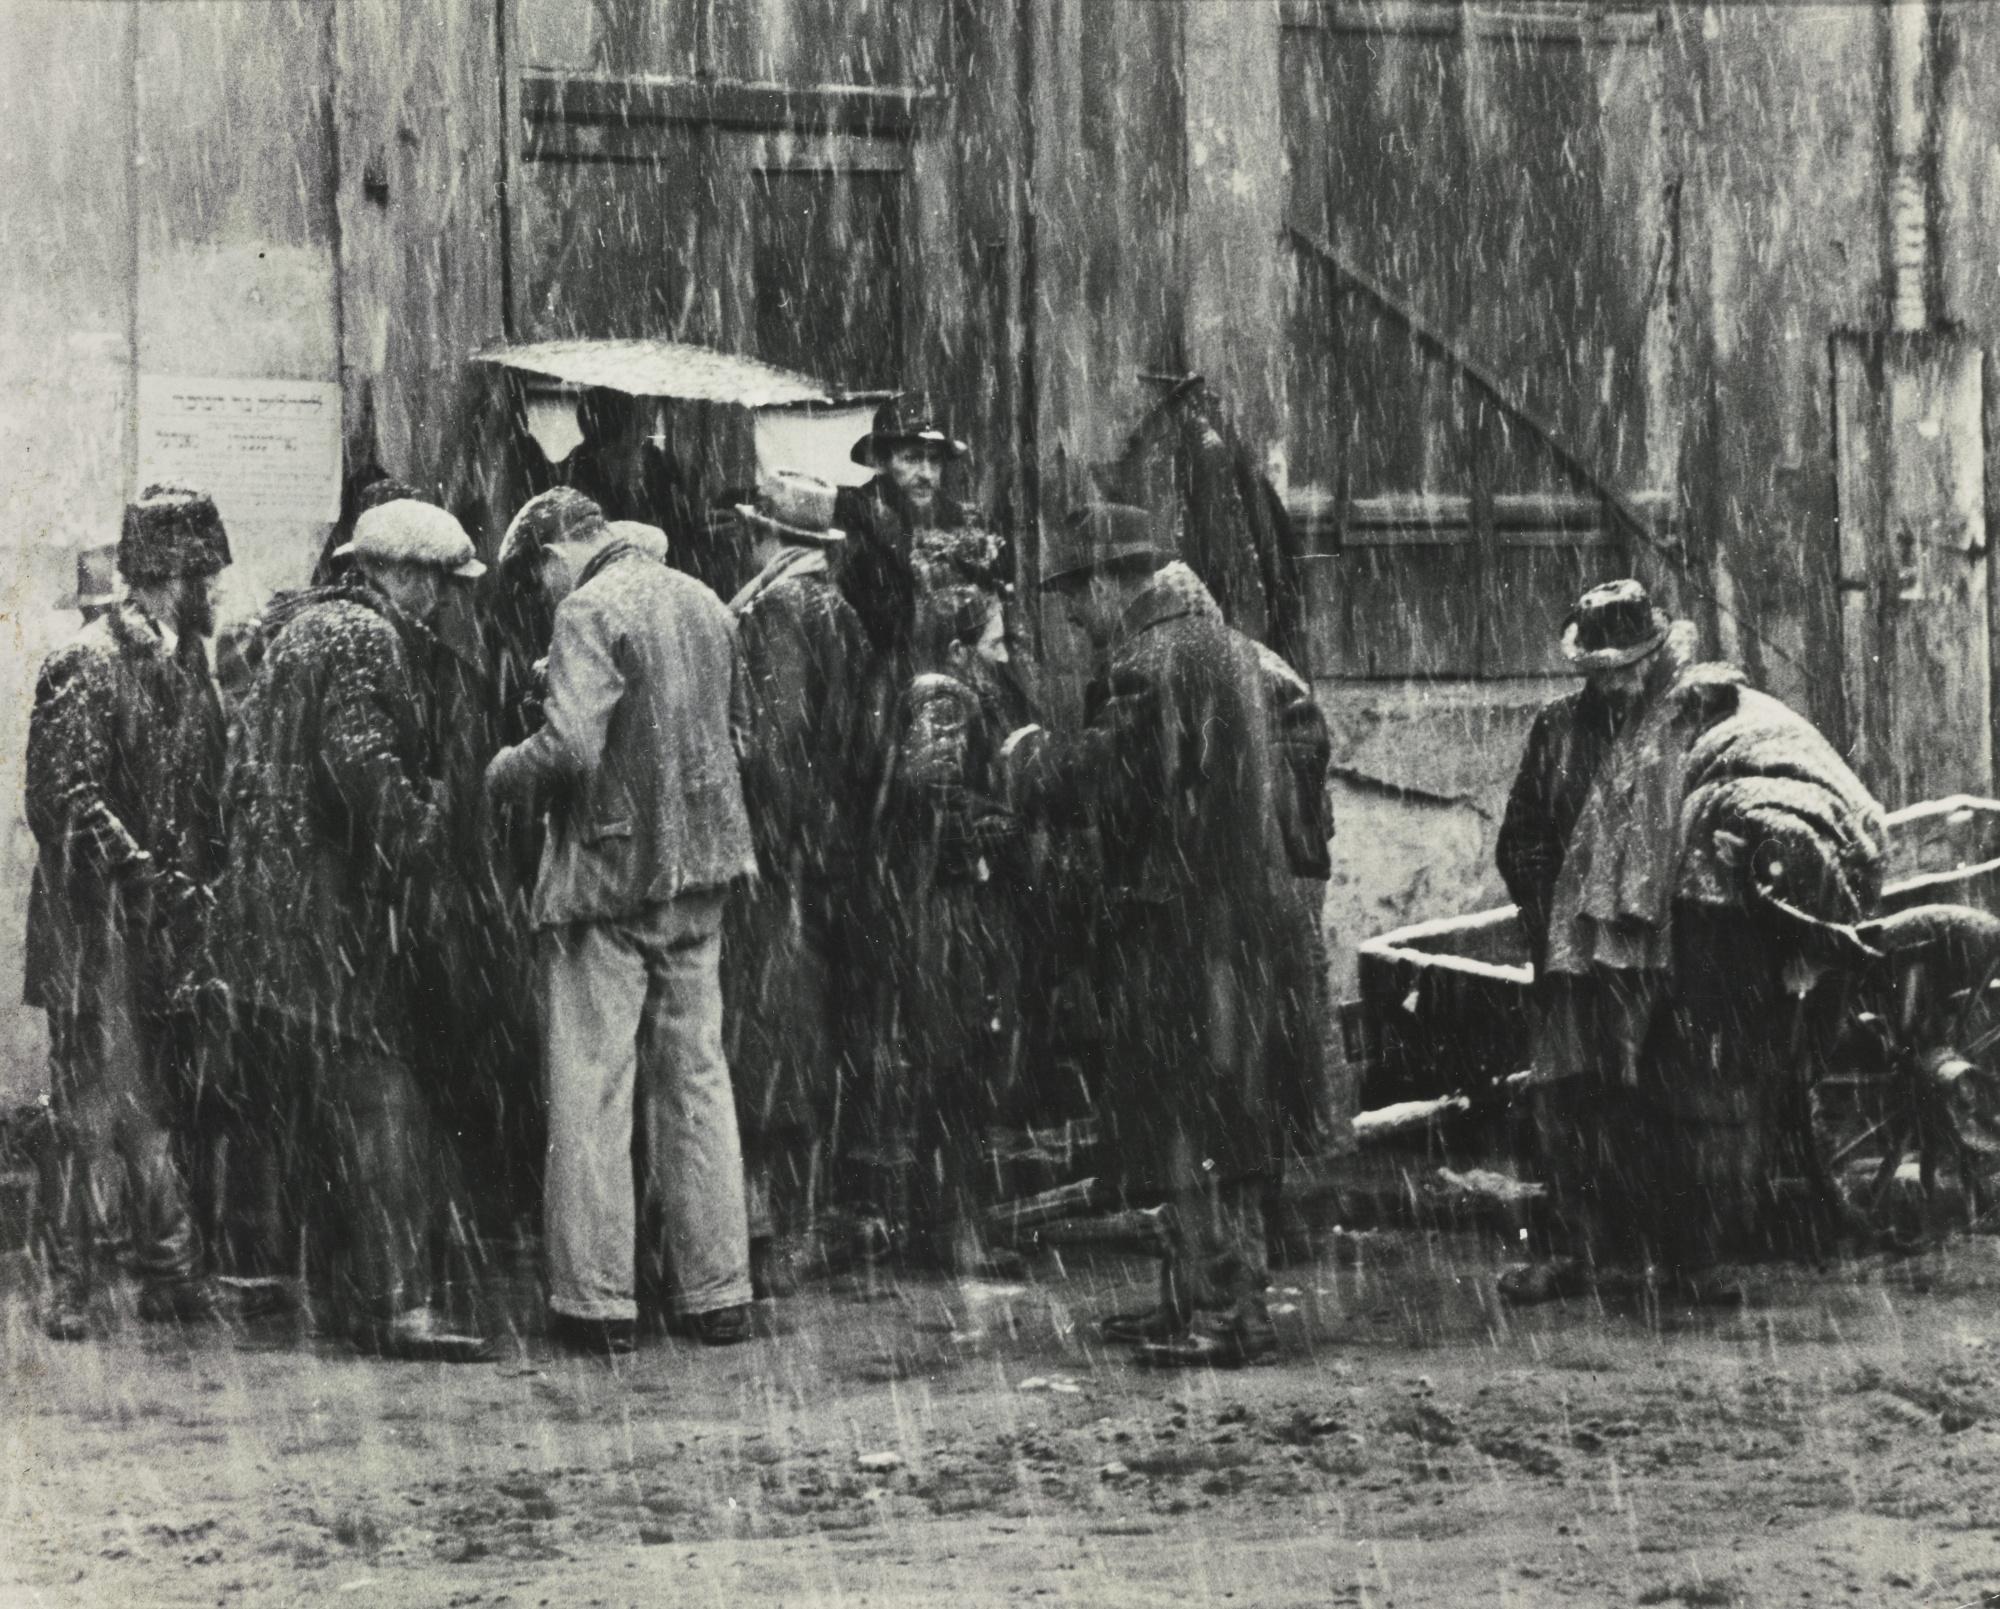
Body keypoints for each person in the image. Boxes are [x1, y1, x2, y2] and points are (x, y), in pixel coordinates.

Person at [1495, 579, 1886, 1303]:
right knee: (1569, 1097)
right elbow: (1520, 839)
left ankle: (1692, 1262)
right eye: (1600, 669)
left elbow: (1726, 813)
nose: (1614, 681)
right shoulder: (1556, 731)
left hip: (1671, 949)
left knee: (1685, 1099)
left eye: (1627, 665)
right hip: (1576, 950)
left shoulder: (1694, 724)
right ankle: (1580, 1253)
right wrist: (1560, 913)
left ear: (1653, 656)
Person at [207, 499, 492, 1361]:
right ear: (403, 576)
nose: (443, 603)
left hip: (279, 915)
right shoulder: (367, 640)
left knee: (324, 1108)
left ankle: (337, 1295)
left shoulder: (300, 629)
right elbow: (362, 763)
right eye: (440, 585)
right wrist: (429, 817)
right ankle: (397, 1302)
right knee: (385, 1105)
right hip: (333, 917)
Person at [1005, 504, 1281, 1366]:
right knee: (1215, 1120)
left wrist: (1023, 760)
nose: (1072, 617)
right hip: (1229, 922)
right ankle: (1196, 1299)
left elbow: (1108, 780)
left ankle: (1223, 1315)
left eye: (1074, 598)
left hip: (1181, 926)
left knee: (1192, 1126)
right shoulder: (1220, 644)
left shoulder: (1148, 662)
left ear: (1105, 582)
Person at [486, 487, 759, 1355]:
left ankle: (598, 1303)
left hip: (608, 878)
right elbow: (736, 735)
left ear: (554, 551)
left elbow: (570, 749)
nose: (538, 596)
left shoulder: (587, 609)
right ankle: (718, 1291)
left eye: (534, 578)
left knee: (594, 1088)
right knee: (698, 1084)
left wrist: (499, 769)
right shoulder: (705, 601)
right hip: (702, 870)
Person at [24, 487, 231, 1339]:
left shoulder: (183, 667)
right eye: (207, 575)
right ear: (169, 575)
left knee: (154, 1107)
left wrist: (197, 881)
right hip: (93, 932)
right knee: (87, 1117)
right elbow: (62, 797)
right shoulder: (87, 662)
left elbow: (193, 795)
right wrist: (147, 877)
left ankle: (170, 1272)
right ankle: (70, 1283)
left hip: (151, 933)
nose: (217, 591)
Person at [722, 473, 870, 1296]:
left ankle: (769, 1226)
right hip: (820, 849)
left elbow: (776, 747)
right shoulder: (836, 611)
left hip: (779, 859)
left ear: (768, 535)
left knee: (768, 1036)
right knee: (800, 1032)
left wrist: (766, 840)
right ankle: (793, 1217)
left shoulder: (780, 611)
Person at [882, 582, 1033, 1276]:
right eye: (994, 644)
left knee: (957, 1069)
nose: (1003, 658)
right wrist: (1004, 825)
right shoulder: (944, 695)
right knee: (955, 1067)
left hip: (950, 909)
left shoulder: (947, 694)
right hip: (950, 913)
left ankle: (948, 1226)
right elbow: (933, 795)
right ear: (958, 647)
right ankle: (951, 1231)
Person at [1252, 641, 1340, 1264]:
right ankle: (1275, 1209)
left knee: (1278, 1044)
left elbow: (1300, 795)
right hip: (1285, 870)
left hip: (1277, 877)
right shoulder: (1261, 672)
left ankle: (1278, 1210)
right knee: (1283, 1042)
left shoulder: (1252, 678)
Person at [832, 391, 987, 662]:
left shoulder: (960, 522)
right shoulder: (853, 518)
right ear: (880, 462)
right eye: (913, 459)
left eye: (934, 460)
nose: (927, 475)